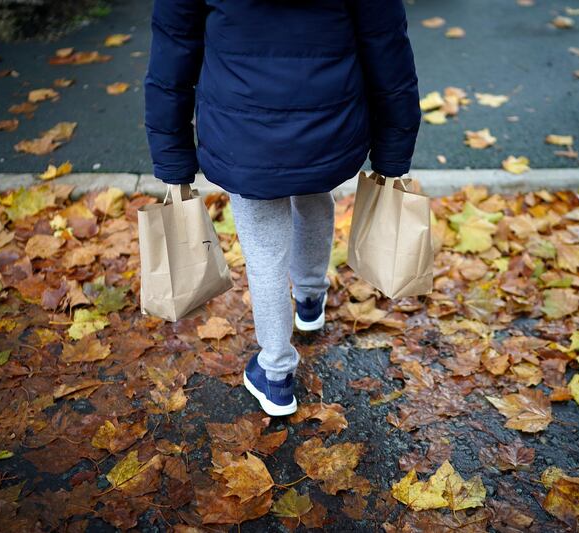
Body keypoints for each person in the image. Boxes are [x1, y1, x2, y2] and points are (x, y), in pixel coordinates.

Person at [144, 0, 421, 416]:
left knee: (264, 251)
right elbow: (387, 47)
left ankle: (275, 374)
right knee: (314, 193)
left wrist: (171, 154)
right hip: (328, 122)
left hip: (242, 132)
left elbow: (172, 55)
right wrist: (395, 145)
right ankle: (310, 300)